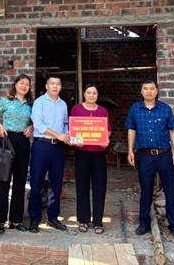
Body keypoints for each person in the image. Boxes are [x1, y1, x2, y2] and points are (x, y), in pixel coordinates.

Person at [125, 79, 174, 239]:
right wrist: (130, 150)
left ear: (156, 91)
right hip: (144, 155)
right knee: (146, 189)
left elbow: (172, 131)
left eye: (152, 88)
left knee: (170, 189)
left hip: (164, 154)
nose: (149, 91)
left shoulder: (165, 109)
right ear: (141, 91)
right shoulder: (135, 109)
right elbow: (131, 129)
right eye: (145, 88)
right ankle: (144, 223)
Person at [0, 74, 34, 233]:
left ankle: (16, 220)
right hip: (6, 140)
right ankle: (0, 221)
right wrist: (0, 127)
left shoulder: (30, 104)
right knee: (3, 181)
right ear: (15, 84)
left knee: (20, 182)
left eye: (27, 84)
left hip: (23, 142)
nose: (24, 86)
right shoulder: (5, 101)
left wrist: (31, 127)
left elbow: (35, 121)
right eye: (21, 83)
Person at [27, 74, 70, 233]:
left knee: (56, 183)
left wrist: (67, 135)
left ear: (61, 87)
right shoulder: (39, 102)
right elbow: (38, 124)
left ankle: (53, 218)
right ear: (46, 86)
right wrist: (58, 135)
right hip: (41, 146)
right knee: (36, 183)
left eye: (58, 84)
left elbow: (65, 124)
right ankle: (34, 218)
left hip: (58, 148)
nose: (55, 86)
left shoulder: (63, 104)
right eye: (52, 83)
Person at [71, 83, 109, 234]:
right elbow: (72, 131)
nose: (91, 95)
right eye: (89, 92)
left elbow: (107, 130)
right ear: (84, 94)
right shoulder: (76, 109)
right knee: (82, 186)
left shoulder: (103, 111)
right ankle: (83, 220)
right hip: (81, 153)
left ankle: (98, 221)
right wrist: (76, 141)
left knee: (100, 187)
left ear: (97, 95)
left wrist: (106, 139)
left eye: (94, 93)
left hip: (99, 153)